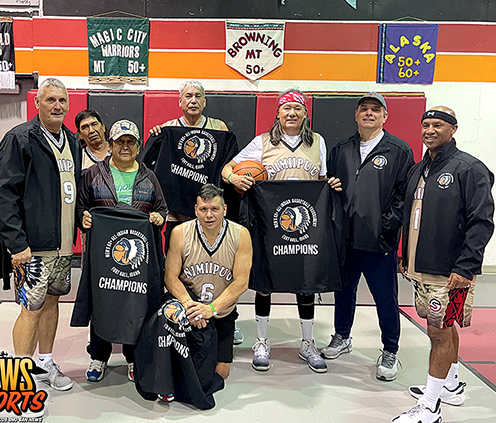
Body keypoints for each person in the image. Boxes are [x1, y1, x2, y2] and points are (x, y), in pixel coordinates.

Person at [221, 89, 340, 373]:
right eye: (287, 108)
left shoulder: (317, 142)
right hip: (271, 224)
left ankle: (308, 343)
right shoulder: (262, 142)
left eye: (297, 108)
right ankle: (261, 341)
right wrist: (234, 177)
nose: (292, 113)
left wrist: (330, 185)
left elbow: (322, 179)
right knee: (265, 284)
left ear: (305, 114)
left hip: (306, 226)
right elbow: (227, 168)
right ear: (278, 113)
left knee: (305, 284)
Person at [392, 107, 494, 423]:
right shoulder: (419, 168)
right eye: (426, 124)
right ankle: (450, 385)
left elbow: (482, 222)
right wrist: (405, 257)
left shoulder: (469, 168)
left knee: (438, 333)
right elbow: (411, 216)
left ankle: (430, 407)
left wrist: (466, 266)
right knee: (443, 327)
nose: (430, 130)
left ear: (454, 129)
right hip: (421, 266)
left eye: (438, 125)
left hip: (449, 270)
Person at [0, 78, 82, 392]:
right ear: (37, 103)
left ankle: (45, 362)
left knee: (52, 301)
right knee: (30, 308)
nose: (57, 106)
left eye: (62, 100)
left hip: (63, 244)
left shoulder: (72, 141)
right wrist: (16, 242)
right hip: (32, 247)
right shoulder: (20, 138)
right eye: (50, 100)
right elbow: (5, 194)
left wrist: (80, 218)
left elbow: (71, 188)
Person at [324, 92, 414, 381]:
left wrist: (386, 225)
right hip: (345, 239)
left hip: (379, 241)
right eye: (364, 109)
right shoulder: (341, 149)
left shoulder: (398, 150)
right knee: (343, 293)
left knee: (385, 299)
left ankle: (390, 350)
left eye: (376, 109)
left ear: (385, 116)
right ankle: (342, 336)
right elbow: (330, 188)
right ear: (356, 115)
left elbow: (405, 194)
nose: (369, 113)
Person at [149, 80, 244, 345]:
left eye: (198, 96)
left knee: (220, 270)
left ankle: (227, 318)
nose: (193, 100)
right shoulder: (168, 129)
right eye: (188, 96)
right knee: (179, 270)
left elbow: (229, 166)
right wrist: (156, 136)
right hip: (178, 216)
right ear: (180, 101)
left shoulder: (219, 129)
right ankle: (181, 313)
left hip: (209, 216)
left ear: (205, 101)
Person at [78, 119, 167, 382]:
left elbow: (161, 208)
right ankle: (99, 355)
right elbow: (80, 206)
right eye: (120, 142)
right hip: (103, 255)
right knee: (102, 302)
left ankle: (132, 356)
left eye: (131, 142)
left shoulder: (149, 176)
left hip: (137, 258)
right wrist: (83, 217)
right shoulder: (94, 173)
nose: (125, 147)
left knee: (134, 304)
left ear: (138, 147)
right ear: (111, 145)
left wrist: (159, 218)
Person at [164, 184, 252, 381]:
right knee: (183, 369)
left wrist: (211, 309)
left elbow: (241, 282)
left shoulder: (240, 235)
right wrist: (190, 306)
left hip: (222, 312)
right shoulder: (180, 233)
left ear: (225, 209)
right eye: (203, 209)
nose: (209, 215)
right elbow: (170, 277)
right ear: (196, 210)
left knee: (221, 374)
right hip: (188, 308)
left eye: (214, 209)